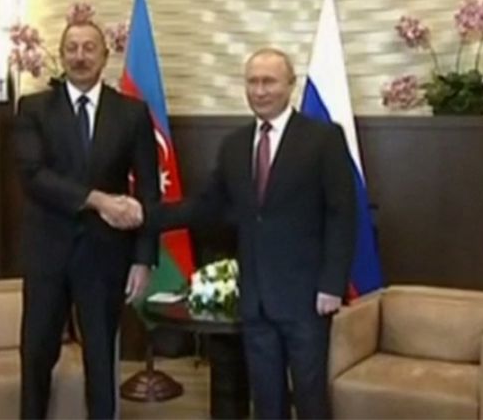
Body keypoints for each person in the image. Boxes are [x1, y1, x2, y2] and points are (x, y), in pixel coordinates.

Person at [150, 47, 356, 418]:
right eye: (252, 82)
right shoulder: (234, 145)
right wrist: (144, 215)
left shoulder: (323, 139)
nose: (260, 91)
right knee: (265, 400)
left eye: (269, 82)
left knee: (310, 397)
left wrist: (332, 285)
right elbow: (207, 206)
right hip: (256, 298)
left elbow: (343, 215)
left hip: (307, 296)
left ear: (290, 85)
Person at [13, 20, 160, 419]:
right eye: (72, 48)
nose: (80, 56)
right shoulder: (34, 108)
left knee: (101, 359)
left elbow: (149, 191)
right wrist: (98, 201)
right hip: (47, 253)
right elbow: (33, 175)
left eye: (89, 47)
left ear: (105, 55)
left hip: (105, 256)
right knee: (36, 356)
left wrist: (144, 259)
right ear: (62, 56)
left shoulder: (131, 113)